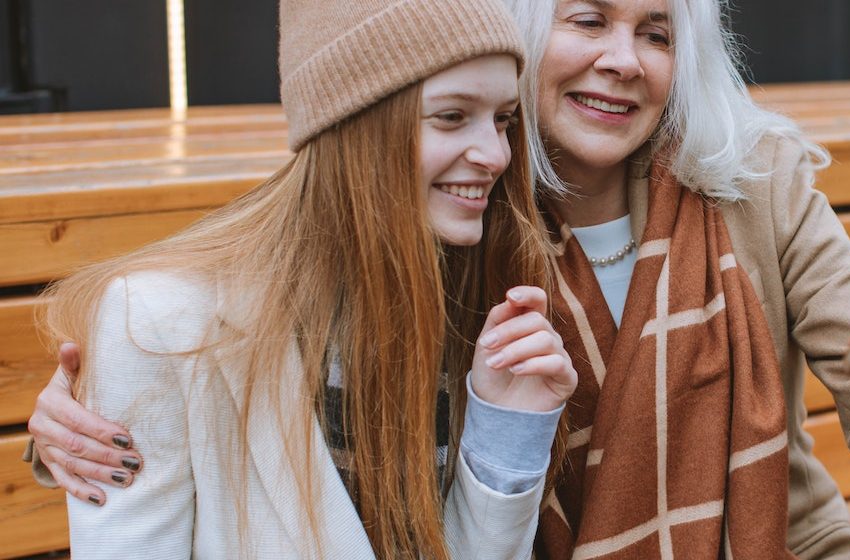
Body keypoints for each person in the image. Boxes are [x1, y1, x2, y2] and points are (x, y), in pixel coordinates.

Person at [28, 0, 850, 557]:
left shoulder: (754, 184)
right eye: (588, 19)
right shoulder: (453, 219)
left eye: (657, 31)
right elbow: (271, 330)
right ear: (522, 38)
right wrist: (89, 417)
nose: (624, 58)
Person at [22, 0, 577, 558]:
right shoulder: (159, 322)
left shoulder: (477, 303)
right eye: (452, 116)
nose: (495, 153)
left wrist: (504, 437)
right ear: (352, 124)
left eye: (503, 119)